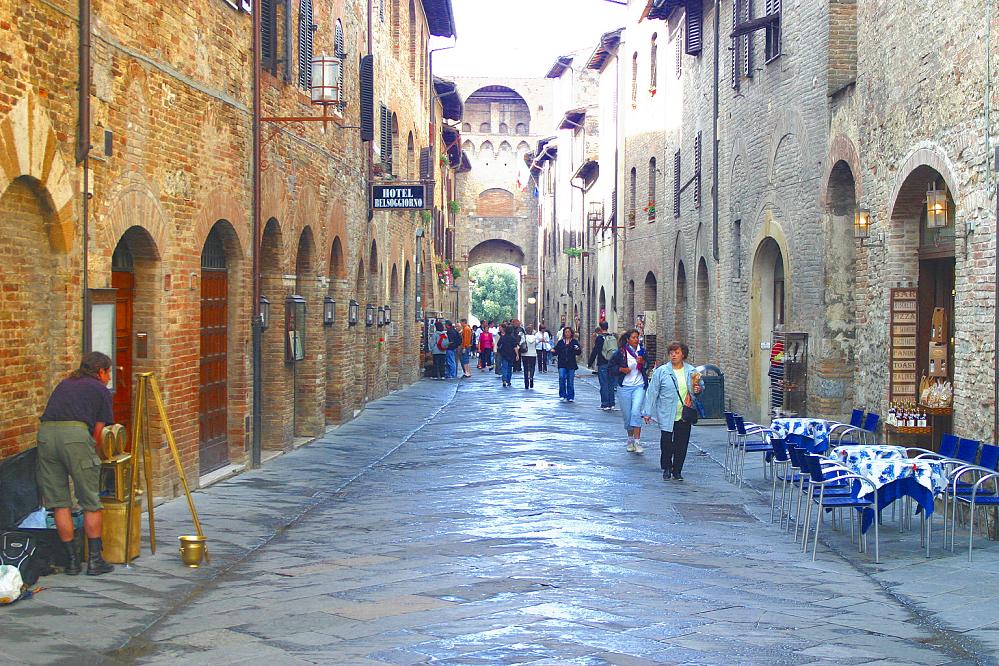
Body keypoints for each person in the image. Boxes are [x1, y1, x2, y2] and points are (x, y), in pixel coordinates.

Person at [36, 352, 116, 576]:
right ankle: (94, 561)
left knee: (60, 503)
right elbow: (99, 432)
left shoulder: (65, 383)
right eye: (108, 372)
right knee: (90, 500)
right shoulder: (100, 389)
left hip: (46, 435)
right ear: (101, 371)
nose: (109, 377)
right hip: (75, 435)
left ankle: (71, 562)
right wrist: (99, 456)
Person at [642, 341, 704, 481]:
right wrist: (647, 412)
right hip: (666, 413)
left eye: (677, 353)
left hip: (684, 413)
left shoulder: (692, 371)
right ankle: (667, 467)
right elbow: (652, 392)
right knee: (666, 442)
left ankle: (677, 470)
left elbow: (700, 386)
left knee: (681, 443)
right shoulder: (661, 372)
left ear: (683, 354)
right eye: (671, 353)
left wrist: (698, 389)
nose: (674, 355)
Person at [608, 329, 649, 453]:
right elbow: (611, 368)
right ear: (628, 339)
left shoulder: (642, 351)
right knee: (627, 415)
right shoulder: (620, 353)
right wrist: (621, 369)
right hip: (624, 386)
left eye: (637, 337)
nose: (636, 340)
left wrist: (643, 363)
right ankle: (630, 439)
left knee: (636, 412)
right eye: (634, 337)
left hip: (639, 385)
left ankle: (637, 441)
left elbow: (648, 365)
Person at [588, 321, 617, 411]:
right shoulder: (612, 337)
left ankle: (605, 404)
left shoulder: (600, 338)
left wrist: (590, 362)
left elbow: (595, 350)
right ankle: (611, 403)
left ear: (600, 328)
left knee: (604, 384)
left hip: (602, 363)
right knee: (611, 384)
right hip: (612, 363)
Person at [553, 326, 582, 402]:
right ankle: (562, 394)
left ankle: (570, 396)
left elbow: (579, 352)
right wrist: (553, 351)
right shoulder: (560, 342)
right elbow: (556, 351)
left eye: (569, 332)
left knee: (570, 380)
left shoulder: (574, 342)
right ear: (564, 333)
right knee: (562, 378)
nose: (567, 333)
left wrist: (578, 349)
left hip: (571, 364)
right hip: (562, 364)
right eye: (566, 332)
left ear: (571, 333)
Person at [521, 324, 539, 389]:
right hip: (533, 354)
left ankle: (526, 383)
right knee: (532, 367)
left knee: (525, 368)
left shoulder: (524, 337)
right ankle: (531, 377)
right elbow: (537, 343)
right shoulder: (535, 337)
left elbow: (521, 343)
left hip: (525, 354)